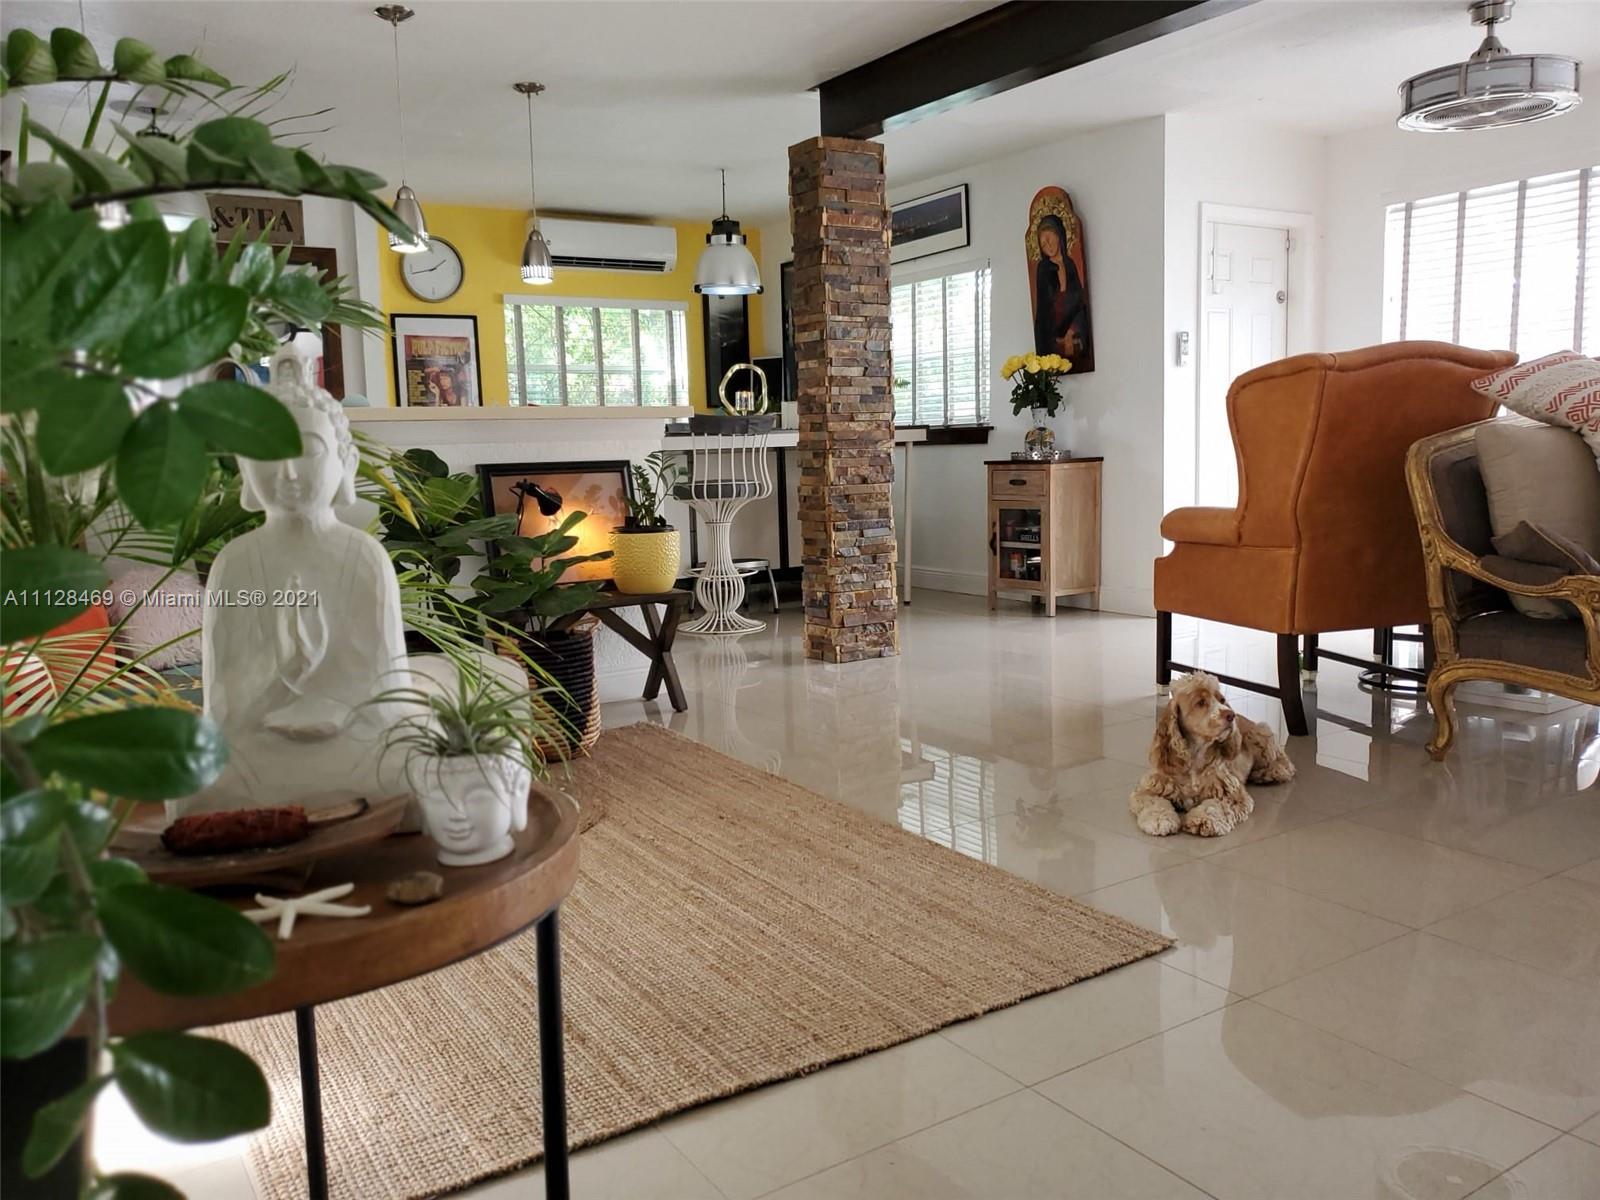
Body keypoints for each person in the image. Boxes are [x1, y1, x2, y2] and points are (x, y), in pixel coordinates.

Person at [1032, 214, 1093, 369]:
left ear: (1059, 236)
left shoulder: (1070, 265)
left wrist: (1072, 330)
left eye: (1049, 239)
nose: (1048, 246)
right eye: (1043, 244)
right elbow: (1044, 310)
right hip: (1051, 333)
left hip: (1072, 328)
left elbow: (1079, 303)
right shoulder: (1043, 269)